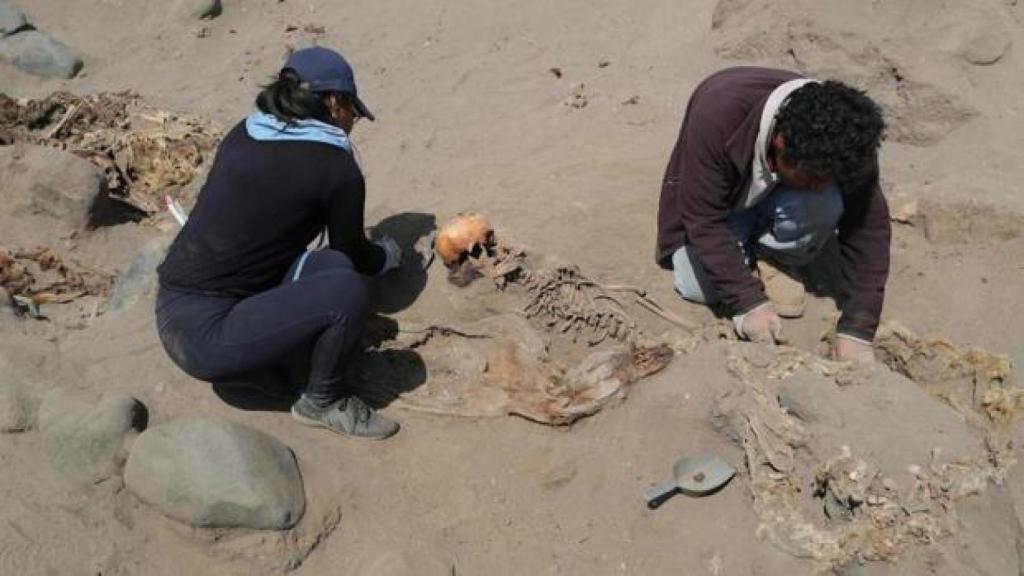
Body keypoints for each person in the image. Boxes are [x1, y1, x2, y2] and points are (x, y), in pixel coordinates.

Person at [156, 46, 402, 439]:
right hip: (204, 339)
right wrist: (388, 255)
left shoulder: (245, 132)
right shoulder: (337, 169)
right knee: (349, 290)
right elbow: (355, 253)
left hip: (178, 303)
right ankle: (323, 401)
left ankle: (274, 364)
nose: (352, 120)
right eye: (352, 110)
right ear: (334, 101)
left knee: (331, 268)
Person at [656, 67, 889, 362]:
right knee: (695, 284)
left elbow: (869, 226)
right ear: (780, 144)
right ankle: (745, 263)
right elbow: (703, 218)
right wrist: (749, 303)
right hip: (724, 205)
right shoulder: (717, 113)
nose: (818, 187)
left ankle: (771, 257)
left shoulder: (850, 139)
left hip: (778, 193)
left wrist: (858, 330)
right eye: (813, 177)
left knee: (828, 201)